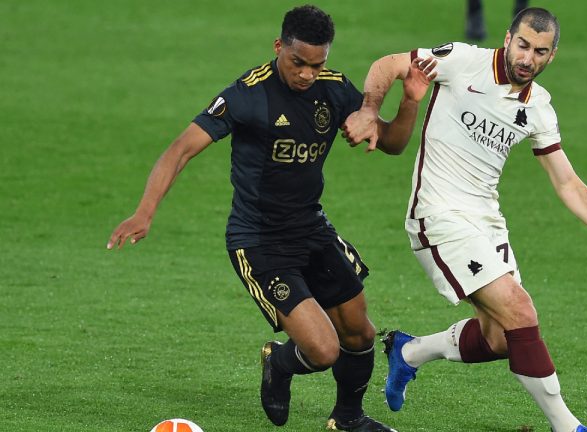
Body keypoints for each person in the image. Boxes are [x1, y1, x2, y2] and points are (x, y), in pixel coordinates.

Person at [107, 5, 435, 431]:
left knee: (361, 334)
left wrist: (409, 102)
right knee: (322, 351)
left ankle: (348, 419)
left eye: (317, 65)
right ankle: (279, 364)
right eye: (298, 62)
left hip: (312, 230)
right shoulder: (247, 95)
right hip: (258, 241)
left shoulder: (333, 90)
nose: (306, 74)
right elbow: (180, 150)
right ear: (279, 47)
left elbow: (391, 142)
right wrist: (144, 212)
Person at [342, 7, 587, 432]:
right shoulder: (463, 60)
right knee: (521, 311)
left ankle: (409, 352)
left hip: (487, 222)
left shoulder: (539, 107)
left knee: (502, 339)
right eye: (523, 45)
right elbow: (389, 64)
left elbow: (566, 182)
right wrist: (369, 108)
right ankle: (568, 427)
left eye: (540, 51)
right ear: (508, 39)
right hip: (438, 215)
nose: (528, 58)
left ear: (552, 56)